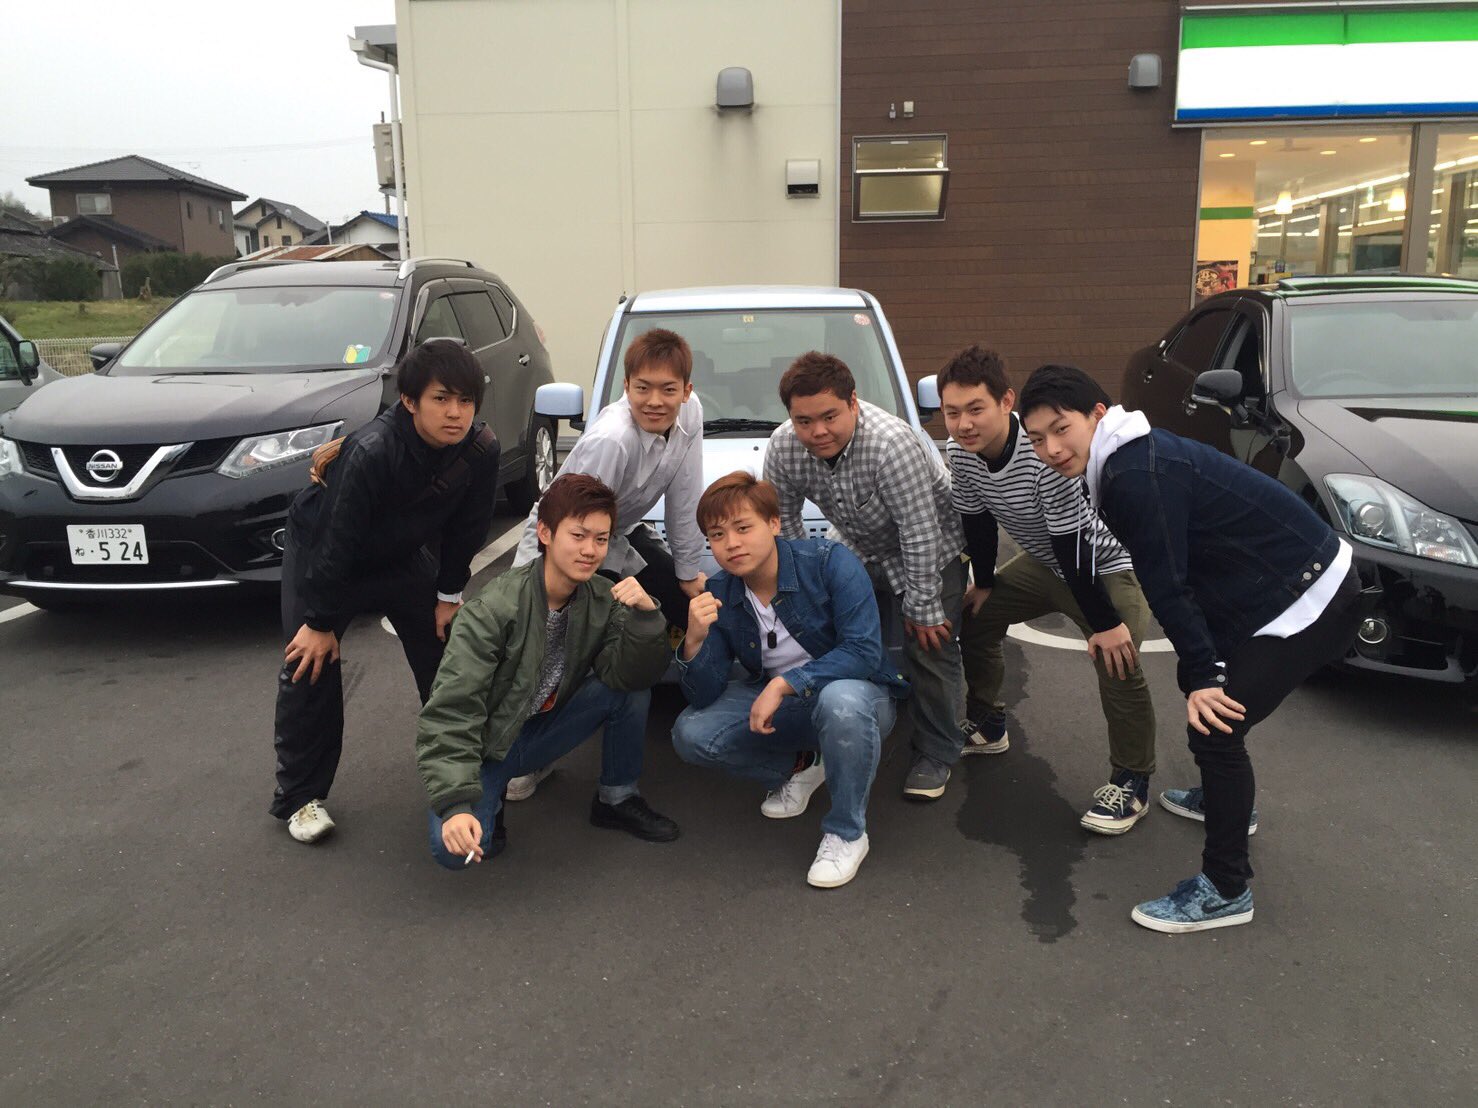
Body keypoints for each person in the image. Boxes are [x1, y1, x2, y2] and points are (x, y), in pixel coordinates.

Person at [1018, 365, 1362, 933]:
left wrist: (1203, 674)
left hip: (1313, 597)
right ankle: (1224, 801)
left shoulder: (1134, 474)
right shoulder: (1126, 455)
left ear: (1097, 415)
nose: (1051, 449)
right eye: (1036, 439)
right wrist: (1204, 667)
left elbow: (1167, 583)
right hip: (1277, 586)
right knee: (1215, 712)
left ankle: (1226, 890)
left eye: (1061, 429)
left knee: (1215, 727)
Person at [268, 340, 501, 845]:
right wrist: (320, 621)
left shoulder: (480, 448)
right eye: (441, 399)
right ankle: (301, 798)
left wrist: (449, 595)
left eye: (465, 400)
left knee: (448, 651)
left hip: (400, 555)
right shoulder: (372, 450)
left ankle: (462, 772)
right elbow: (336, 538)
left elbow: (468, 528)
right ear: (410, 401)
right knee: (309, 661)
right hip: (327, 553)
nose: (456, 413)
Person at [939, 346, 1159, 834]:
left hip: (1103, 564)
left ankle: (1132, 781)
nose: (963, 424)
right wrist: (985, 583)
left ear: (1006, 402)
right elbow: (977, 520)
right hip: (1048, 562)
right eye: (952, 412)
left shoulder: (1042, 450)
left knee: (1118, 660)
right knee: (975, 617)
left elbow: (1073, 546)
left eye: (975, 409)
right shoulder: (960, 453)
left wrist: (1105, 624)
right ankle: (988, 722)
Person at [417, 473, 680, 870]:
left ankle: (617, 798)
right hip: (489, 748)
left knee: (631, 692)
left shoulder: (600, 598)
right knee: (452, 851)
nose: (590, 550)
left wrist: (646, 617)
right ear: (545, 533)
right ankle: (486, 796)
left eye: (601, 539)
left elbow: (628, 676)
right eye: (578, 535)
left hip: (542, 731)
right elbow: (452, 710)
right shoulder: (493, 610)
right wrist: (454, 804)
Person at [671, 472, 908, 888]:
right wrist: (693, 641)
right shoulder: (722, 591)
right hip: (789, 705)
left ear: (774, 523)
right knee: (691, 733)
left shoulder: (829, 562)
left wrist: (784, 683)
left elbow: (863, 651)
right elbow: (703, 694)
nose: (732, 543)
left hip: (859, 696)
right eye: (717, 535)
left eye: (743, 527)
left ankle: (847, 832)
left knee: (840, 702)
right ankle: (805, 765)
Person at [507, 327, 707, 801]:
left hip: (619, 532)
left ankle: (689, 706)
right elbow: (566, 523)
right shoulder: (612, 440)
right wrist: (542, 591)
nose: (655, 401)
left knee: (684, 608)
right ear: (626, 386)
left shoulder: (691, 415)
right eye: (643, 388)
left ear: (687, 391)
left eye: (668, 389)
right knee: (556, 647)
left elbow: (685, 498)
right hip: (567, 543)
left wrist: (687, 572)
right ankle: (530, 753)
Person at [763, 351, 968, 801]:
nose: (818, 431)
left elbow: (920, 530)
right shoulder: (783, 447)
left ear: (853, 402)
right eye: (804, 421)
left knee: (929, 646)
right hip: (856, 543)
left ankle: (937, 750)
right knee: (839, 638)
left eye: (829, 416)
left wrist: (922, 605)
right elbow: (785, 525)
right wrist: (805, 589)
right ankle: (857, 724)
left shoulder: (891, 444)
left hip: (932, 546)